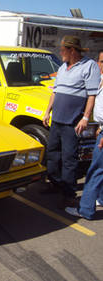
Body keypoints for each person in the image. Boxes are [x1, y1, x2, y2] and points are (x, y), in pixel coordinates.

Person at [42, 36, 101, 208]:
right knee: (52, 154)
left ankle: (68, 193)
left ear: (72, 50)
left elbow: (92, 95)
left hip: (72, 122)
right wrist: (47, 112)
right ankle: (55, 184)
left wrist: (84, 117)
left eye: (62, 50)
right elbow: (55, 92)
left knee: (69, 158)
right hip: (57, 120)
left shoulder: (89, 66)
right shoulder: (62, 67)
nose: (60, 53)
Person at [65, 50, 103, 219]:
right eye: (101, 61)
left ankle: (85, 210)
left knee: (95, 171)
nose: (102, 65)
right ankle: (101, 199)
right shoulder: (100, 80)